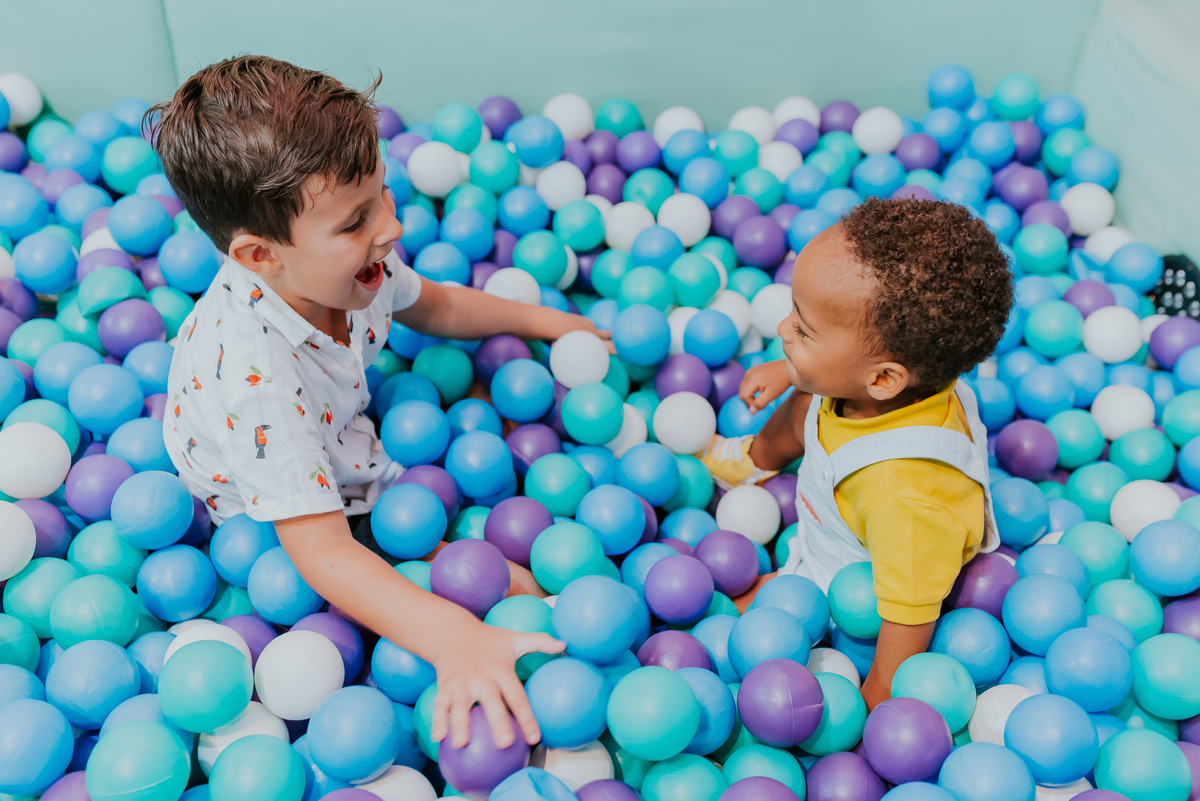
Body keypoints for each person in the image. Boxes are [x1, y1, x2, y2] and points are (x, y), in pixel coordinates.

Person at [152, 55, 606, 748]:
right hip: (271, 504)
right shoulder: (256, 381)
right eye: (357, 219)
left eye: (384, 196)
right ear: (260, 256)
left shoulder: (352, 263)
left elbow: (440, 305)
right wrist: (454, 637)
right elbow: (324, 555)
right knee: (500, 585)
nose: (390, 226)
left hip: (336, 435)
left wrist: (548, 323)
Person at [701, 197, 1013, 709]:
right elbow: (825, 381)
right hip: (832, 491)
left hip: (843, 590)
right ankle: (757, 459)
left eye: (802, 330)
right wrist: (793, 368)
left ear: (884, 378)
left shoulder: (904, 497)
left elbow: (907, 615)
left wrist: (875, 704)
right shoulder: (881, 381)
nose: (782, 329)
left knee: (731, 627)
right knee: (813, 394)